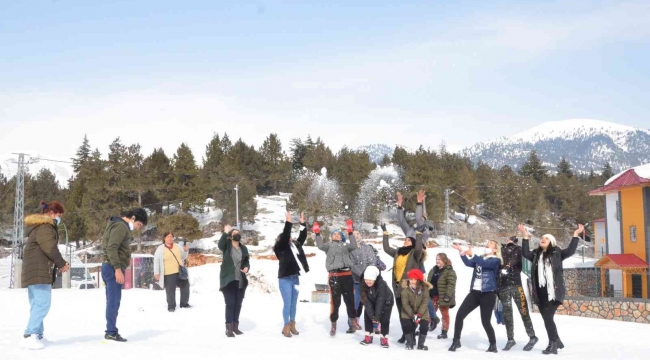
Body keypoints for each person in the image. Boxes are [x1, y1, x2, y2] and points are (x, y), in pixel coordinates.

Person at [521, 224, 583, 355]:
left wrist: (576, 234)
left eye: (546, 238)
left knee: (548, 318)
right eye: (542, 237)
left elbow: (571, 250)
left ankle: (552, 345)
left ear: (552, 242)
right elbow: (525, 253)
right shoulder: (536, 255)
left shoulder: (557, 253)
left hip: (554, 292)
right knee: (547, 319)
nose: (543, 239)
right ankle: (557, 340)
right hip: (540, 293)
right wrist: (525, 237)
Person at [20, 201, 70, 350]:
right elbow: (50, 248)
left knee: (37, 304)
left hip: (34, 270)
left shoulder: (39, 227)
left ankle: (37, 334)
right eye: (59, 216)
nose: (59, 219)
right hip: (39, 270)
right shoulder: (45, 227)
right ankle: (30, 335)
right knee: (42, 304)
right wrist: (61, 264)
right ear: (51, 214)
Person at [382, 192, 427, 344]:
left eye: (420, 218)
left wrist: (420, 203)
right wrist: (399, 206)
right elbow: (401, 221)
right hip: (401, 279)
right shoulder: (409, 232)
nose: (417, 220)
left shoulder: (423, 230)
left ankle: (428, 318)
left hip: (417, 261)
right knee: (403, 310)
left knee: (413, 306)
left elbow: (419, 248)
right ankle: (407, 333)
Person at [102, 208, 148, 342]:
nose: (138, 228)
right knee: (113, 301)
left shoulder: (118, 225)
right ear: (133, 218)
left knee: (114, 300)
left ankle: (111, 330)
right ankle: (110, 332)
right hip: (112, 268)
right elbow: (112, 247)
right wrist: (117, 269)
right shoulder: (121, 227)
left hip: (111, 266)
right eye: (139, 224)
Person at [449, 240, 503, 353]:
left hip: (488, 293)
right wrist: (462, 252)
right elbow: (469, 263)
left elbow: (485, 264)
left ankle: (493, 344)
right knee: (460, 315)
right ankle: (456, 341)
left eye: (491, 243)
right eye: (487, 243)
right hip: (474, 293)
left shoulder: (496, 260)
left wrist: (472, 255)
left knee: (485, 321)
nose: (488, 244)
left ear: (495, 249)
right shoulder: (480, 259)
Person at [315, 220, 359, 336]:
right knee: (336, 302)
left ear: (341, 237)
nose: (336, 235)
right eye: (334, 234)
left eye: (338, 234)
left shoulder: (346, 246)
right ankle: (333, 324)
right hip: (334, 276)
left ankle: (353, 321)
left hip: (347, 276)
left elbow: (354, 246)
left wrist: (350, 232)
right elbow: (319, 245)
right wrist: (317, 233)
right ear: (331, 237)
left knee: (350, 300)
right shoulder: (328, 246)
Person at [499, 235, 538, 351]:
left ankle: (532, 336)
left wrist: (507, 266)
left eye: (512, 241)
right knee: (507, 314)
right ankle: (510, 339)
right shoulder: (500, 250)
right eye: (509, 240)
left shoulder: (517, 249)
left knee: (523, 311)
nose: (510, 242)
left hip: (516, 285)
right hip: (504, 287)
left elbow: (515, 258)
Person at [273, 211, 309, 338]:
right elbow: (285, 235)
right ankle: (286, 326)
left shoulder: (293, 246)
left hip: (295, 278)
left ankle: (293, 324)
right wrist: (288, 221)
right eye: (287, 237)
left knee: (294, 303)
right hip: (285, 279)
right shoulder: (280, 247)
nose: (290, 238)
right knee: (287, 303)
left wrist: (302, 223)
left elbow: (303, 236)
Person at [219, 224, 250, 337]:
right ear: (231, 237)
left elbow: (246, 261)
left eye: (238, 233)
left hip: (240, 279)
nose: (237, 235)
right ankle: (229, 328)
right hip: (228, 279)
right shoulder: (227, 246)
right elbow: (220, 245)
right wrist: (225, 232)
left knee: (238, 304)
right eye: (234, 234)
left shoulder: (243, 248)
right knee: (230, 303)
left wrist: (246, 267)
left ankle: (235, 327)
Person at [350, 229, 383, 326]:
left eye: (358, 233)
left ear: (361, 235)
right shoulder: (350, 249)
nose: (356, 236)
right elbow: (351, 264)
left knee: (372, 302)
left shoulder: (367, 247)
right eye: (353, 234)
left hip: (370, 281)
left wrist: (368, 275)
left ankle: (375, 324)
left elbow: (372, 261)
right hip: (357, 280)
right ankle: (354, 322)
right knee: (357, 303)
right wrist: (362, 275)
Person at [153, 232, 190, 312]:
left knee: (185, 287)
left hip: (180, 272)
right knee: (170, 290)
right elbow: (156, 261)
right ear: (164, 238)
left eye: (171, 237)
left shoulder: (178, 246)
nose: (170, 238)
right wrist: (156, 272)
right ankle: (171, 306)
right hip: (168, 273)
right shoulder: (160, 248)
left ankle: (184, 303)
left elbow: (183, 257)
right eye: (168, 237)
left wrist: (186, 251)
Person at [358, 265, 393, 348]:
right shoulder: (362, 284)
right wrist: (372, 316)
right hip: (371, 301)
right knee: (367, 316)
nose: (368, 282)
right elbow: (365, 301)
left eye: (370, 280)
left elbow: (380, 301)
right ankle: (368, 336)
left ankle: (384, 338)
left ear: (375, 279)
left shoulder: (381, 284)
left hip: (386, 302)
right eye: (366, 279)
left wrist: (376, 317)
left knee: (384, 319)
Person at [427, 253, 456, 340]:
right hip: (433, 295)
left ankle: (444, 332)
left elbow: (451, 284)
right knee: (429, 312)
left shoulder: (449, 271)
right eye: (436, 259)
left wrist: (447, 295)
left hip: (443, 296)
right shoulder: (433, 270)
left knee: (444, 314)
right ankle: (426, 327)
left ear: (444, 260)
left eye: (439, 259)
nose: (437, 261)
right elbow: (428, 281)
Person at [400, 269, 431, 350]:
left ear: (419, 280)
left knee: (424, 325)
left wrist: (419, 314)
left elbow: (425, 303)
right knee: (407, 325)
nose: (412, 281)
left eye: (415, 279)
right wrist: (413, 315)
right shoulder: (405, 291)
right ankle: (410, 343)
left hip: (422, 312)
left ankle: (421, 344)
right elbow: (405, 304)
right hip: (408, 312)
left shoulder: (425, 290)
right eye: (411, 279)